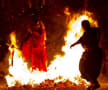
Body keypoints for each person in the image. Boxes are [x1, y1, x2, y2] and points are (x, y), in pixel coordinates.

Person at [70, 20, 102, 90]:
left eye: (83, 25)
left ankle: (95, 83)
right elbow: (80, 40)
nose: (83, 27)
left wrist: (97, 42)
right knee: (84, 68)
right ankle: (93, 83)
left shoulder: (92, 32)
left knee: (86, 68)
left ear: (85, 25)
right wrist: (73, 44)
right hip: (90, 53)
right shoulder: (87, 33)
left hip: (93, 53)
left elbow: (97, 36)